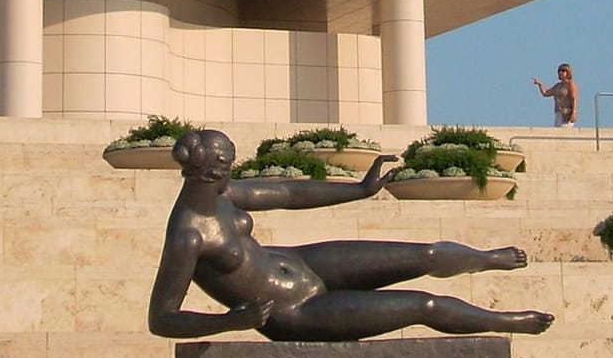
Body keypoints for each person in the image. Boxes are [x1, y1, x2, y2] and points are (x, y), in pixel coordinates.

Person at [147, 128, 555, 342]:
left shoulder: (224, 194)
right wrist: (229, 322)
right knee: (424, 305)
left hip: (304, 262)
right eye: (227, 162)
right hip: (294, 312)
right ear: (210, 169)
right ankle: (507, 321)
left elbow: (289, 193)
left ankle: (485, 259)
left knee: (427, 254)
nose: (232, 169)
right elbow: (162, 319)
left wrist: (358, 191)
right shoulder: (188, 235)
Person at [533, 63, 578, 127]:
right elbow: (546, 93)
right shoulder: (558, 85)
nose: (560, 72)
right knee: (557, 131)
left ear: (568, 72)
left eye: (563, 70)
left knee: (564, 130)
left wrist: (574, 112)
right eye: (559, 71)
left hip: (566, 113)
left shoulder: (570, 84)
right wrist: (540, 84)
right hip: (558, 113)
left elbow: (574, 99)